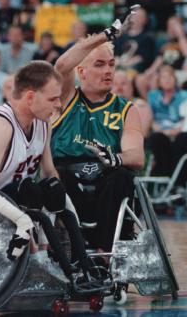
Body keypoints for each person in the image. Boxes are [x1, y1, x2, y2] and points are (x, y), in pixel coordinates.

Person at [0, 61, 105, 291]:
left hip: (16, 197)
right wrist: (22, 220)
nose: (58, 105)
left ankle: (77, 262)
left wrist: (70, 216)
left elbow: (49, 173)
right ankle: (42, 263)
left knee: (52, 186)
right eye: (52, 99)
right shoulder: (1, 124)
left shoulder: (42, 122)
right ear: (30, 97)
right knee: (31, 191)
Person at [52, 13, 145, 251]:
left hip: (107, 178)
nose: (108, 71)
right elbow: (61, 66)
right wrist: (106, 35)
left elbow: (137, 156)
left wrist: (116, 158)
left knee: (122, 177)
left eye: (112, 64)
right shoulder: (64, 98)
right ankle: (74, 241)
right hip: (68, 177)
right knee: (53, 177)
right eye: (100, 64)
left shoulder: (126, 109)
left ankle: (105, 252)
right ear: (81, 72)